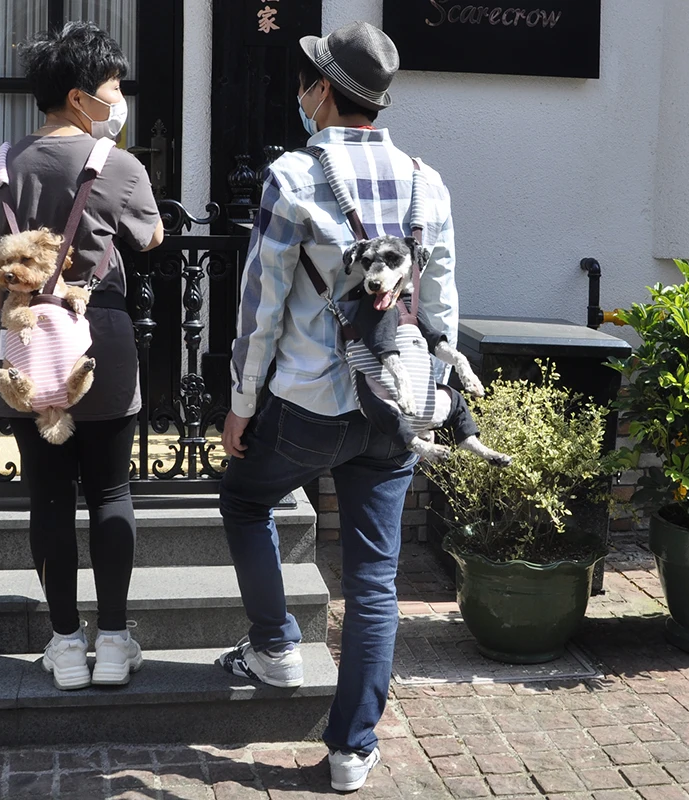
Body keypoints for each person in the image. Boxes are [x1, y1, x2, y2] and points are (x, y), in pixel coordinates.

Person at [218, 20, 458, 793]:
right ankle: (353, 749)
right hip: (394, 406)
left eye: (307, 79)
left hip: (310, 404)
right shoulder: (428, 181)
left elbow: (261, 309)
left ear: (322, 93)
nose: (302, 90)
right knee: (375, 580)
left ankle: (275, 642)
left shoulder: (293, 177)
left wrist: (240, 403)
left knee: (245, 498)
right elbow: (441, 308)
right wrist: (440, 388)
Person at [0, 21, 163, 691]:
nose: (119, 95)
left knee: (49, 497)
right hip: (97, 341)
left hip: (25, 345)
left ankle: (63, 644)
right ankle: (113, 642)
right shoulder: (121, 166)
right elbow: (153, 237)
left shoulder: (0, 168)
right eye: (112, 85)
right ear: (81, 98)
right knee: (110, 490)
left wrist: (10, 345)